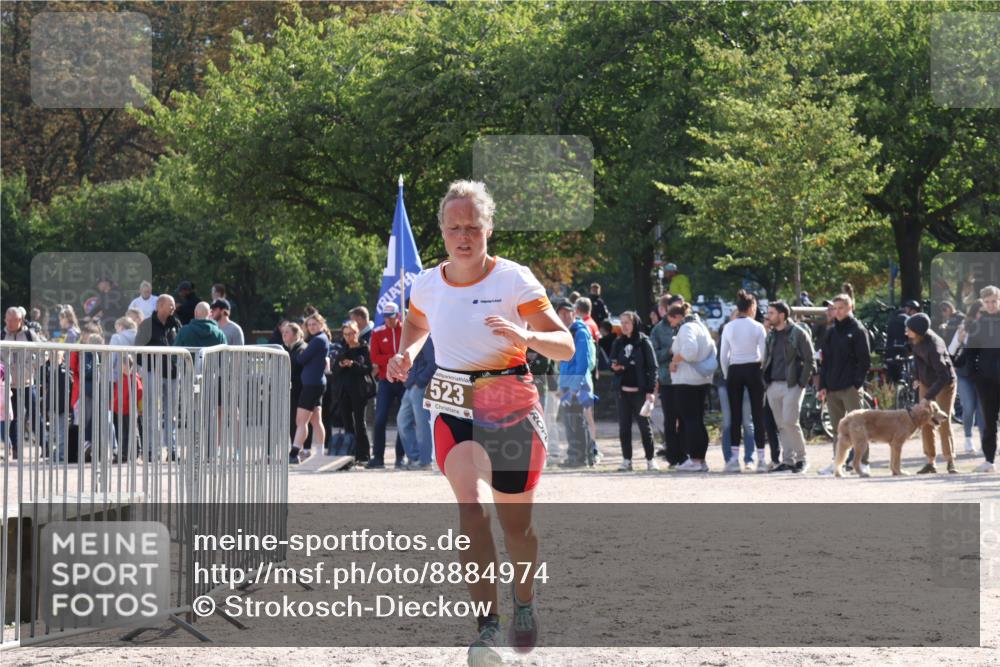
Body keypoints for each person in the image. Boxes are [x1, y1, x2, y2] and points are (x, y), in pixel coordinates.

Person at [386, 180, 573, 663]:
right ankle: (487, 626)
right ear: (443, 232)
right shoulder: (426, 283)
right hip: (452, 400)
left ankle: (524, 600)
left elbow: (565, 345)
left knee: (518, 527)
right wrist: (407, 351)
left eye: (473, 226)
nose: (463, 236)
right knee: (470, 509)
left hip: (508, 399)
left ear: (488, 228)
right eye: (454, 228)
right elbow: (418, 321)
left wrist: (523, 333)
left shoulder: (513, 280)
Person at [817, 293, 872, 475]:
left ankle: (863, 462)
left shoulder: (858, 330)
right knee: (837, 430)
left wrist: (856, 384)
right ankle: (837, 464)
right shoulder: (831, 332)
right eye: (835, 308)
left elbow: (865, 361)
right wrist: (823, 385)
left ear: (850, 308)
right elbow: (825, 361)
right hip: (832, 388)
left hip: (850, 387)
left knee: (858, 427)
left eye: (841, 308)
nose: (837, 312)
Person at [763, 301, 816, 473]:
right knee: (781, 424)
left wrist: (801, 383)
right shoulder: (770, 335)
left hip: (792, 385)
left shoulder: (799, 333)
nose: (767, 316)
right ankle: (788, 460)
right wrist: (766, 383)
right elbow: (767, 359)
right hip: (773, 385)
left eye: (771, 313)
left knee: (790, 422)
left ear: (782, 315)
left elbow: (810, 360)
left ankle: (802, 459)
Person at [720, 290, 768, 473]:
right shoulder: (757, 327)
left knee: (735, 415)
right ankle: (761, 459)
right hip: (753, 369)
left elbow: (723, 356)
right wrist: (760, 371)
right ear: (752, 307)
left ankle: (733, 459)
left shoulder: (729, 327)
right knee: (757, 415)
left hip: (734, 369)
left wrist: (727, 374)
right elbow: (764, 354)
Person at [904, 312, 957, 474]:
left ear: (918, 330)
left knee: (942, 420)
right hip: (927, 382)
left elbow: (944, 376)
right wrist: (917, 378)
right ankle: (930, 461)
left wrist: (927, 397)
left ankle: (950, 461)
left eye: (909, 329)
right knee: (925, 420)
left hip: (945, 384)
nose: (906, 332)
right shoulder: (916, 340)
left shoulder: (935, 346)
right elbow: (917, 361)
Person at [667, 301, 715, 471]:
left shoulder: (687, 328)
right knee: (697, 421)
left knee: (690, 421)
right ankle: (700, 460)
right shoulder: (702, 327)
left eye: (671, 320)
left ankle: (695, 460)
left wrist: (674, 361)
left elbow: (689, 351)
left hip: (687, 380)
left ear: (678, 317)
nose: (671, 324)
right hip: (701, 380)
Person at [610, 311, 657, 471]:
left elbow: (652, 367)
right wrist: (616, 367)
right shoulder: (618, 342)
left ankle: (651, 460)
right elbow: (613, 361)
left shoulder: (644, 342)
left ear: (634, 324)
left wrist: (650, 391)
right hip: (623, 392)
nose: (623, 326)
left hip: (640, 392)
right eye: (621, 323)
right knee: (624, 428)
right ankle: (626, 460)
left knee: (645, 427)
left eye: (627, 323)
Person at [137, 295, 182, 461]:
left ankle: (171, 451)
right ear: (160, 305)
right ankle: (151, 451)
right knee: (151, 413)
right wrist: (147, 368)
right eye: (170, 305)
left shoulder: (175, 324)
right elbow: (138, 349)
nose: (173, 308)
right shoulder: (146, 325)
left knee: (171, 414)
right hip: (152, 373)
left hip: (171, 373)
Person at [555, 300, 595, 468]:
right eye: (561, 313)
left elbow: (583, 362)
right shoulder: (565, 332)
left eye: (567, 312)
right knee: (569, 422)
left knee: (577, 421)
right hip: (567, 384)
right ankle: (574, 456)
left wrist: (574, 387)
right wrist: (561, 384)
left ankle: (581, 458)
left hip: (577, 385)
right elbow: (564, 362)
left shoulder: (579, 332)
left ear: (574, 313)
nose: (564, 316)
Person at [368, 302, 407, 469]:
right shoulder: (377, 333)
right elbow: (375, 357)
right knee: (380, 418)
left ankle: (400, 457)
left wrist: (394, 358)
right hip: (386, 380)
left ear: (397, 315)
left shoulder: (405, 330)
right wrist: (393, 358)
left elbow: (409, 353)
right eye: (386, 318)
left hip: (404, 381)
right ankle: (377, 457)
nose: (388, 321)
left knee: (403, 419)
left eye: (391, 317)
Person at [966, 285, 1000, 473]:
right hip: (986, 380)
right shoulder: (978, 325)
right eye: (987, 302)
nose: (991, 305)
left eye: (994, 301)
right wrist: (975, 375)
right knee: (989, 421)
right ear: (983, 304)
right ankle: (989, 460)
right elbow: (971, 353)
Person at [290, 313, 331, 463]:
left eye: (315, 324)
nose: (312, 327)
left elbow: (301, 359)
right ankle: (319, 453)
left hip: (312, 385)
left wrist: (300, 352)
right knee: (316, 420)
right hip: (316, 383)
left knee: (301, 420)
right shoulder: (320, 339)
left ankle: (294, 453)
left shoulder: (318, 340)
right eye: (309, 324)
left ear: (321, 324)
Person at [332, 320, 374, 464]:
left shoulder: (364, 348)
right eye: (346, 334)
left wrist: (353, 364)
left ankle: (364, 455)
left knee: (360, 424)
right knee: (347, 423)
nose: (349, 337)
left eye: (352, 333)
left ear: (357, 332)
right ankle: (349, 454)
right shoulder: (342, 349)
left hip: (359, 390)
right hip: (344, 391)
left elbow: (367, 368)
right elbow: (334, 370)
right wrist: (340, 364)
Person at [2, 306, 41, 459]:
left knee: (35, 416)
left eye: (14, 320)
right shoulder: (2, 335)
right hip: (8, 385)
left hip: (27, 383)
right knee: (13, 419)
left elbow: (43, 353)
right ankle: (16, 450)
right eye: (8, 320)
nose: (10, 323)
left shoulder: (29, 335)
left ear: (20, 320)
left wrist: (32, 366)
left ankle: (44, 446)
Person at [650, 293, 683, 466]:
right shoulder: (658, 330)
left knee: (684, 419)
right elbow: (654, 355)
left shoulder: (687, 325)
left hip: (686, 379)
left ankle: (685, 455)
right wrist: (669, 352)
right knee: (670, 420)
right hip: (668, 380)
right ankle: (673, 457)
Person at [949, 300, 984, 454]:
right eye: (980, 312)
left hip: (985, 374)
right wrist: (960, 340)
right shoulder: (965, 327)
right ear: (974, 313)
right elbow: (951, 350)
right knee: (969, 407)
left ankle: (985, 441)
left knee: (983, 409)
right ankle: (968, 438)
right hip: (965, 373)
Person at [397, 336, 437, 469]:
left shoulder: (425, 338)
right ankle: (415, 458)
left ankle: (425, 461)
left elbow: (433, 363)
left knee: (422, 424)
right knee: (402, 421)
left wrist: (419, 382)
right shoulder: (413, 337)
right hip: (411, 386)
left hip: (419, 387)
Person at [282, 322, 307, 444]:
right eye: (283, 332)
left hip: (298, 390)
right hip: (294, 389)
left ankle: (299, 449)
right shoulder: (292, 349)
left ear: (296, 334)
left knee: (297, 421)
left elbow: (297, 369)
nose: (284, 335)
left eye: (287, 332)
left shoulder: (301, 349)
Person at [885, 299, 920, 382]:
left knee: (892, 380)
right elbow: (913, 337)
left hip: (890, 351)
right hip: (904, 351)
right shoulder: (909, 320)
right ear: (912, 310)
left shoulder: (892, 319)